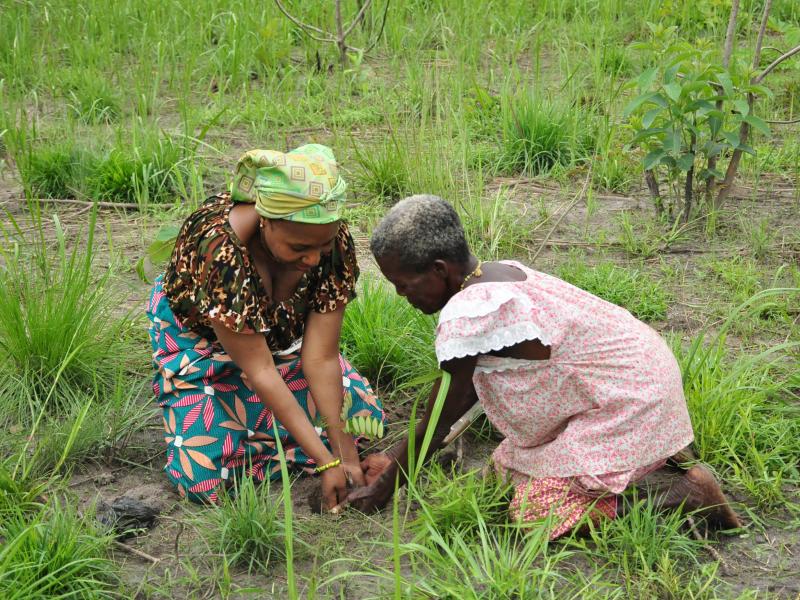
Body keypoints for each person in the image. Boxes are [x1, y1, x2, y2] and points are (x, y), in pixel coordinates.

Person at [347, 194, 741, 538]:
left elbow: (440, 416)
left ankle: (685, 496)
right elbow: (463, 401)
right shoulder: (499, 273)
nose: (401, 295)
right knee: (503, 476)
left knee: (536, 514)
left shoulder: (470, 313)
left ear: (438, 269)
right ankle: (652, 458)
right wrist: (396, 464)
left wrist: (383, 488)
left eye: (403, 284)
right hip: (638, 378)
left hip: (629, 402)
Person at [146, 144, 384, 510]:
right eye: (299, 247)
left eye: (322, 246)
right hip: (204, 349)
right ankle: (269, 426)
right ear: (265, 220)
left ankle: (265, 430)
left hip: (280, 349)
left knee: (364, 418)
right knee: (203, 479)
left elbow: (320, 357)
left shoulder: (330, 242)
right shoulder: (220, 251)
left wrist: (344, 454)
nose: (313, 258)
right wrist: (327, 460)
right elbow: (259, 370)